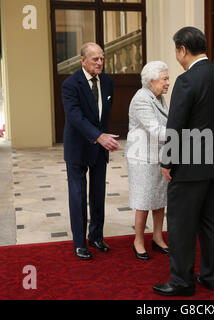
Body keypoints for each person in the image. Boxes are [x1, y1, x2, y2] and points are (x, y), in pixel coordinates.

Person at [153, 27, 214, 297]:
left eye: (176, 50)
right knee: (210, 222)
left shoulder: (186, 81)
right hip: (213, 162)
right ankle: (211, 276)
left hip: (188, 166)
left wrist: (167, 162)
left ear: (183, 49)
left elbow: (176, 126)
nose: (177, 55)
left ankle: (182, 281)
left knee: (181, 225)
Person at [62, 43, 120, 261]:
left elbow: (102, 115)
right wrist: (98, 136)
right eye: (95, 59)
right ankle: (79, 243)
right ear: (82, 60)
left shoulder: (108, 82)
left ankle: (96, 236)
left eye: (102, 58)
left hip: (99, 148)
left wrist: (102, 139)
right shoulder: (70, 84)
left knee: (98, 195)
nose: (100, 63)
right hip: (78, 147)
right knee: (78, 196)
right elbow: (75, 116)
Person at [125, 61, 170, 261]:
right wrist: (183, 136)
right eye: (165, 79)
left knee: (160, 199)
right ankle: (139, 241)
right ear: (151, 81)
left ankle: (158, 237)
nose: (168, 82)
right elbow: (155, 130)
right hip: (142, 156)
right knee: (143, 201)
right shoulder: (141, 99)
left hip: (158, 155)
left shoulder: (159, 97)